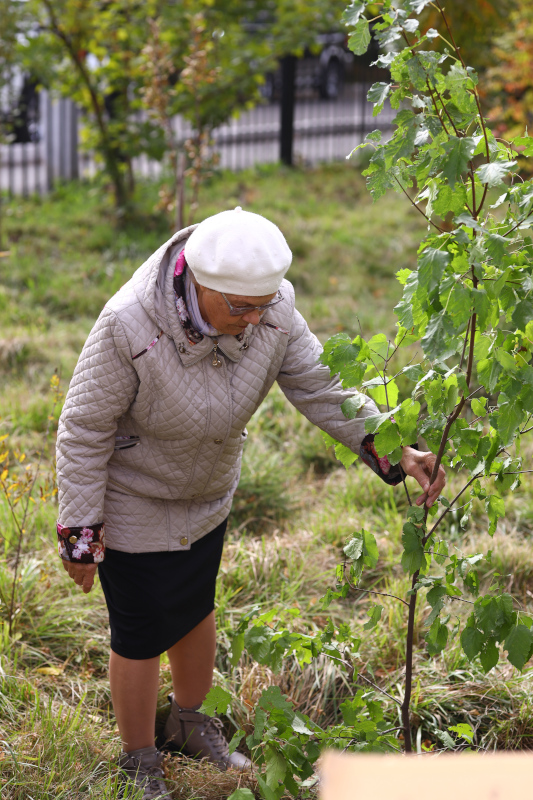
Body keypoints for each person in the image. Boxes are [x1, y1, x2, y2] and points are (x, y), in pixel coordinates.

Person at [56, 207, 445, 799]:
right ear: (199, 283)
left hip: (208, 489)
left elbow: (321, 384)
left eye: (264, 304)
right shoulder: (130, 324)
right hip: (133, 493)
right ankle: (138, 759)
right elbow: (83, 426)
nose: (255, 318)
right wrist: (81, 531)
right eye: (241, 308)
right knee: (139, 630)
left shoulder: (269, 310)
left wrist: (394, 449)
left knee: (193, 605)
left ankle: (188, 722)